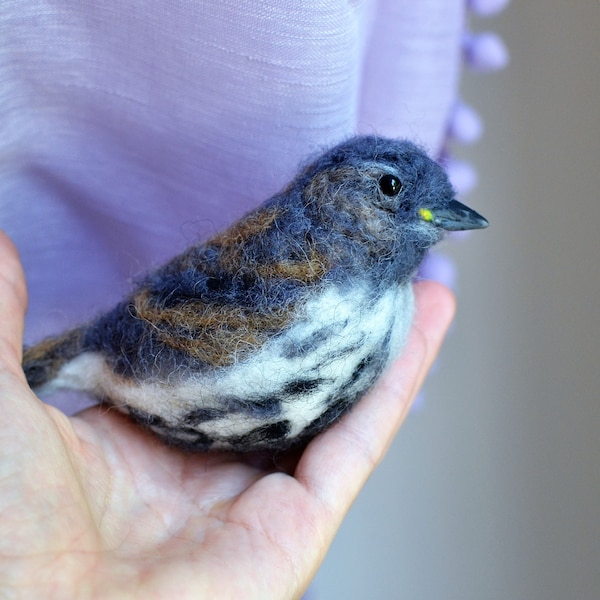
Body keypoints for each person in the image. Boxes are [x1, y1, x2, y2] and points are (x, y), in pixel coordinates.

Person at [0, 231, 453, 597]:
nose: (427, 215)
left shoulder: (387, 313)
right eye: (389, 189)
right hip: (131, 362)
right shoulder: (305, 277)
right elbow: (168, 317)